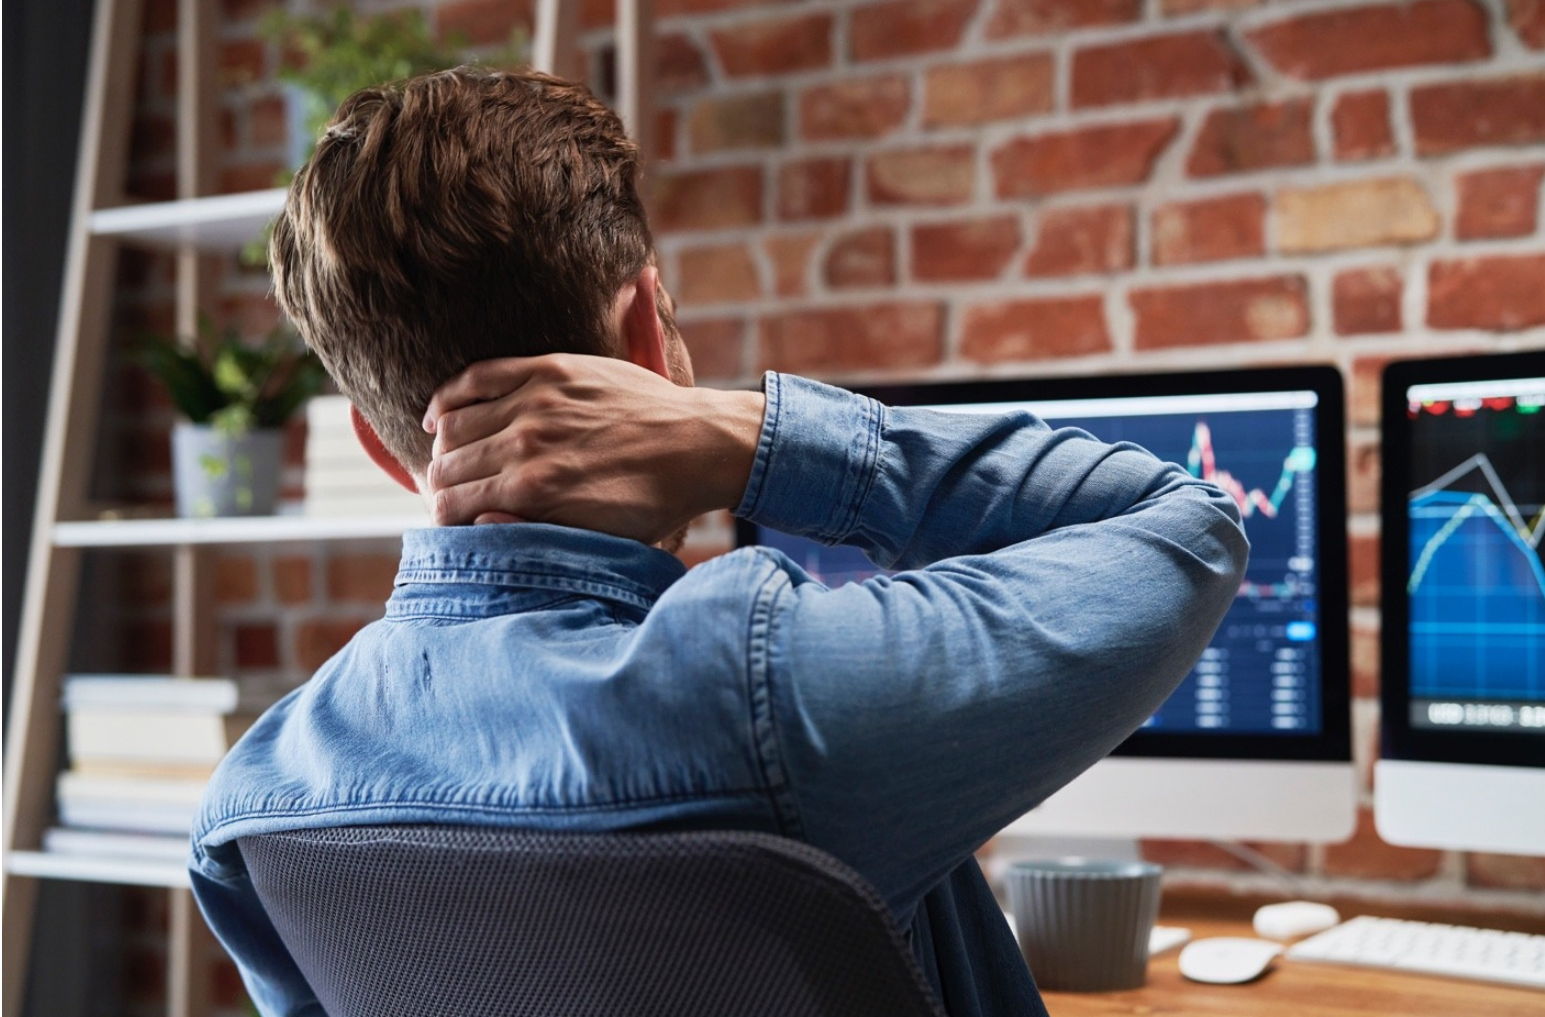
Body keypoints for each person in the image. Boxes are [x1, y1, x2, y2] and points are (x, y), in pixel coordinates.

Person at [190, 67, 1248, 1017]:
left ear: (380, 449)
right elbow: (1186, 522)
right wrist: (741, 434)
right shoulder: (763, 689)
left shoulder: (253, 807)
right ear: (647, 332)